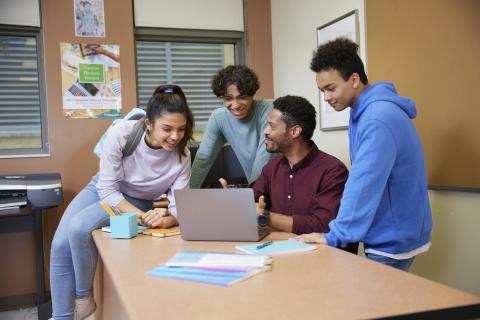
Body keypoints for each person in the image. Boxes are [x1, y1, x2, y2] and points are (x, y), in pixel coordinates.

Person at [49, 84, 194, 319]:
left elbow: (180, 206)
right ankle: (62, 316)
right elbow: (106, 189)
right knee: (59, 245)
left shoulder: (182, 156)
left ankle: (83, 299)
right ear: (149, 124)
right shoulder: (123, 133)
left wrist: (164, 219)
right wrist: (139, 215)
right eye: (167, 128)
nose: (175, 136)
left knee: (78, 228)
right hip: (103, 190)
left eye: (181, 129)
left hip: (139, 200)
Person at [295, 38, 432, 271]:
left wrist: (334, 235)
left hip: (391, 238)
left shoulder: (377, 117)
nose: (326, 97)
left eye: (331, 88)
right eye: (322, 91)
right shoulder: (364, 111)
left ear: (355, 80)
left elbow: (363, 182)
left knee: (377, 306)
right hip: (391, 229)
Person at [243, 95, 356, 252]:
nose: (266, 132)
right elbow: (252, 202)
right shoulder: (272, 166)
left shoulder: (333, 171)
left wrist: (266, 216)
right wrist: (233, 201)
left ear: (294, 131)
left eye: (272, 127)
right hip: (279, 252)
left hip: (321, 259)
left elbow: (322, 225)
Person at [190, 65, 274, 188]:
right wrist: (183, 199)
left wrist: (252, 196)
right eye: (228, 98)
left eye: (242, 97)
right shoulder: (219, 118)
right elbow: (202, 161)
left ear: (252, 94)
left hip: (282, 187)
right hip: (256, 190)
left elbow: (263, 160)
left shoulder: (270, 111)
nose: (235, 105)